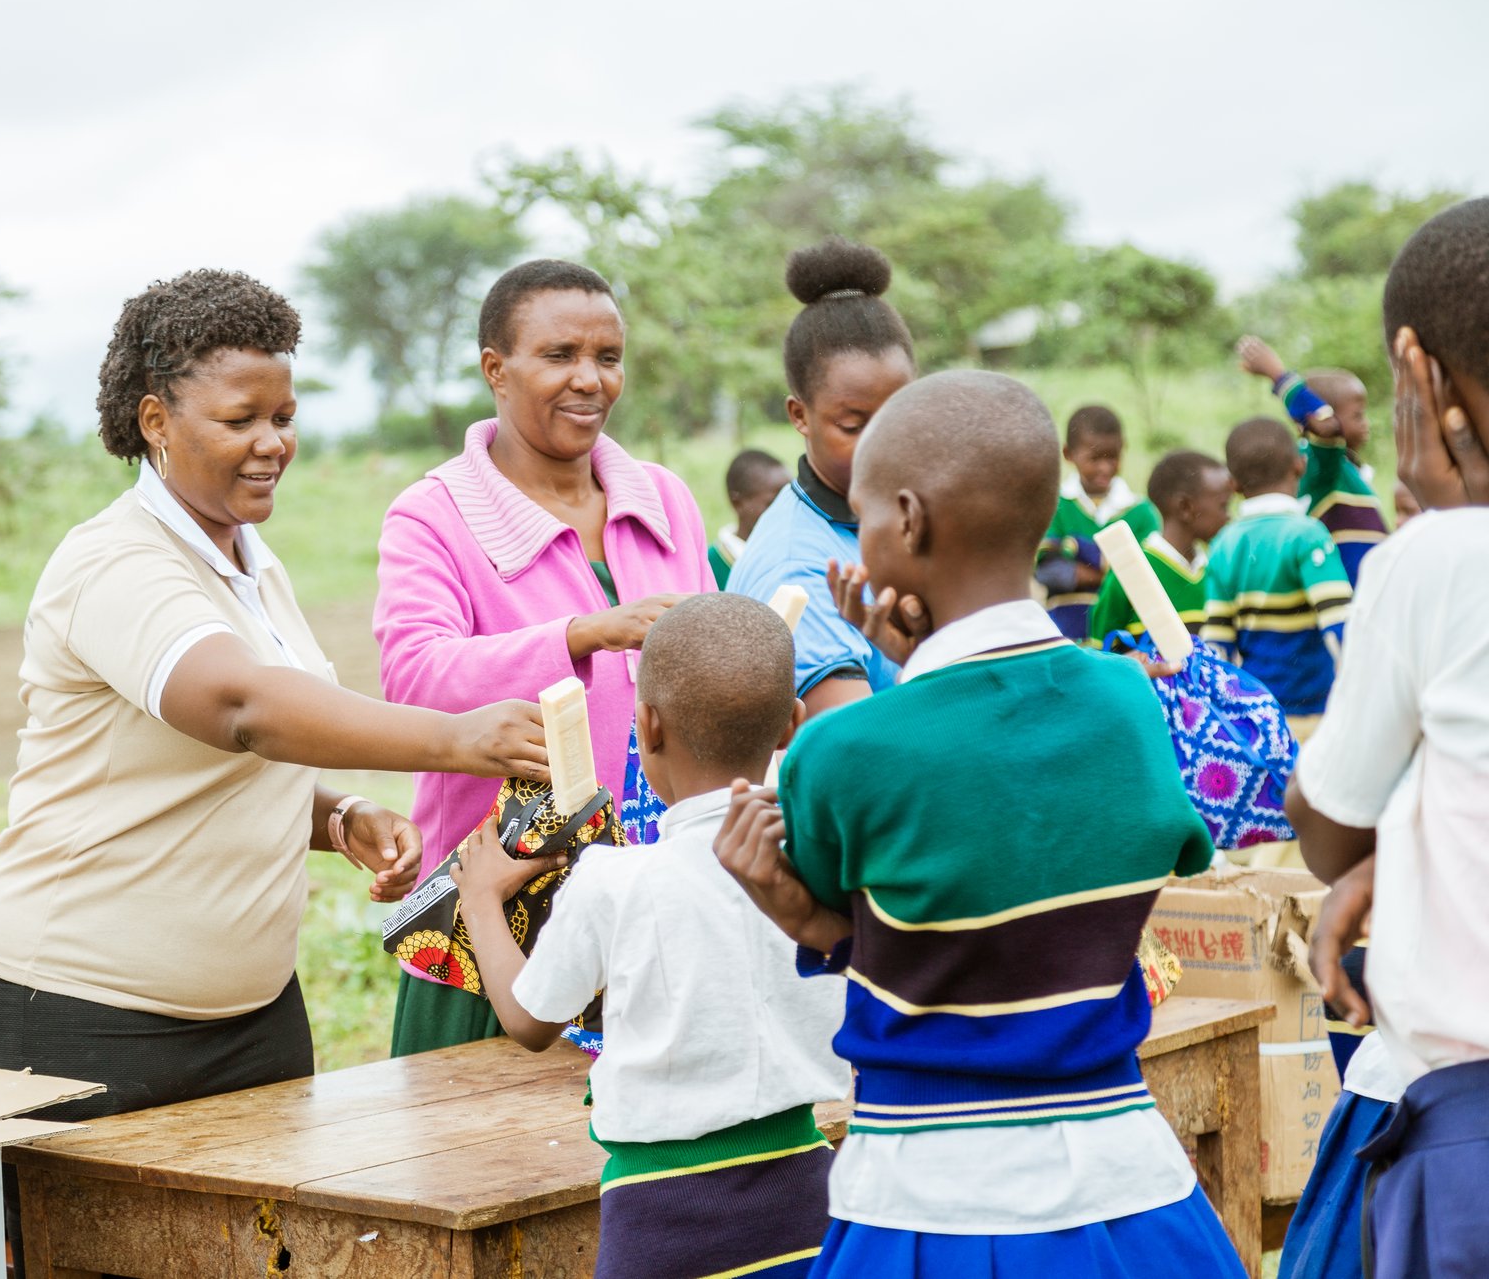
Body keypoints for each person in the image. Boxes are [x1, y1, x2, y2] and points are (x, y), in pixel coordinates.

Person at [0, 269, 549, 1120]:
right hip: (81, 1004)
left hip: (253, 1008)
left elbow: (218, 767)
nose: (273, 441)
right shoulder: (115, 562)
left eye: (284, 417)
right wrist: (456, 738)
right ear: (155, 421)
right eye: (241, 420)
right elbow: (242, 710)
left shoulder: (248, 564)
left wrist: (338, 816)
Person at [718, 370, 1244, 1278]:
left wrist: (800, 916)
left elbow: (877, 908)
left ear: (911, 520)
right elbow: (1073, 846)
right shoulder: (1126, 701)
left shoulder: (842, 751)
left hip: (926, 1202)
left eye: (866, 516)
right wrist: (922, 662)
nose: (861, 541)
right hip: (1134, 1192)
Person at [374, 258, 715, 1057]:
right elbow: (414, 676)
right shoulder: (434, 515)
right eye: (560, 356)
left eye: (607, 357)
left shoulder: (663, 499)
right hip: (499, 929)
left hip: (654, 919)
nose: (590, 380)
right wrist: (580, 634)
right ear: (496, 368)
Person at [449, 593, 846, 1279]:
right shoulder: (822, 869)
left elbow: (530, 1019)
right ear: (791, 725)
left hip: (662, 1213)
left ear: (646, 726)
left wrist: (483, 899)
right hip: (810, 1193)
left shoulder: (615, 879)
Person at [1286, 196, 1489, 1279]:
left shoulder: (1439, 561)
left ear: (1417, 374)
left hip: (1458, 1133)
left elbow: (1322, 828)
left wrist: (1364, 849)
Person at [728, 239, 921, 717]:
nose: (882, 444)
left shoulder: (904, 514)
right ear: (800, 415)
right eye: (854, 427)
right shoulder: (798, 566)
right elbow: (855, 756)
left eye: (899, 416)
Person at [1200, 417, 1353, 741]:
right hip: (1317, 715)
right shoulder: (1308, 536)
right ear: (1300, 466)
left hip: (1259, 721)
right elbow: (1340, 627)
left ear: (1234, 484)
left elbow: (1217, 644)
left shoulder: (1223, 544)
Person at [1237, 336, 1390, 584]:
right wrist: (1278, 375)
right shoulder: (1320, 465)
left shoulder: (1347, 469)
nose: (1366, 423)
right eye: (1357, 415)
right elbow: (1327, 427)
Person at [1037, 404, 1160, 643]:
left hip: (1125, 641)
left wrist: (1076, 548)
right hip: (1066, 637)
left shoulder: (1141, 512)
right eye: (1094, 458)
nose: (1105, 467)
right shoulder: (1055, 506)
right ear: (1068, 454)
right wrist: (1119, 571)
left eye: (1113, 457)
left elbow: (1148, 580)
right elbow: (1050, 573)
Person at [1086, 449, 1232, 648]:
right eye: (1223, 506)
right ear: (1185, 507)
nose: (1229, 517)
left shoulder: (1216, 570)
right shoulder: (1130, 572)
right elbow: (1101, 654)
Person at [710, 449, 792, 588]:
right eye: (772, 503)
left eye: (790, 500)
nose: (786, 510)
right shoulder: (711, 566)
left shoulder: (793, 553)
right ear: (737, 503)